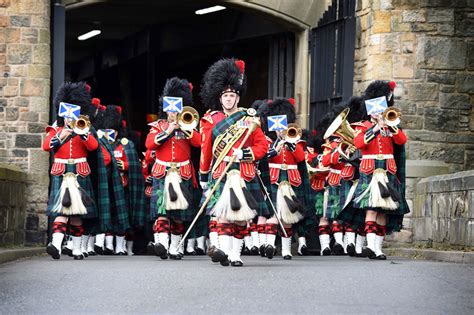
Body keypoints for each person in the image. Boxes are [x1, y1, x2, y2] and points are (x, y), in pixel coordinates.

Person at [199, 58, 270, 266]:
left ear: (237, 98)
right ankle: (222, 251)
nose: (229, 99)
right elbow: (206, 150)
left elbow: (262, 147)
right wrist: (204, 175)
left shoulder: (250, 118)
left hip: (243, 171)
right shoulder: (212, 120)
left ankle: (235, 254)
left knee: (239, 218)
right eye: (226, 96)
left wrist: (245, 154)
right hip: (220, 171)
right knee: (222, 215)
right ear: (220, 99)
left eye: (232, 95)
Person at [351, 80, 409, 260]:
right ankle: (370, 246)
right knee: (371, 209)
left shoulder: (392, 126)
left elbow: (401, 141)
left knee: (383, 210)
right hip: (370, 171)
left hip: (387, 170)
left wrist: (389, 125)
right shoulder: (362, 127)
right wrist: (376, 127)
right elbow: (359, 144)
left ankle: (378, 248)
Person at [146, 77, 201, 260]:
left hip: (182, 173)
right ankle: (161, 244)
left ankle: (176, 247)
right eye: (170, 110)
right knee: (161, 212)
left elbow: (199, 142)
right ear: (165, 109)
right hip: (162, 173)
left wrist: (186, 128)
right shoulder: (158, 126)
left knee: (178, 215)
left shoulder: (188, 125)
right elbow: (149, 144)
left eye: (176, 109)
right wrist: (168, 130)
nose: (173, 113)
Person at [43, 82, 98, 260]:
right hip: (62, 171)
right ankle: (56, 245)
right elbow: (46, 146)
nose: (69, 118)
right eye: (66, 115)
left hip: (79, 171)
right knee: (61, 211)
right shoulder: (56, 129)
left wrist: (81, 133)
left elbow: (93, 146)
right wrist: (62, 134)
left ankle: (76, 248)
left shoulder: (83, 128)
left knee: (76, 213)